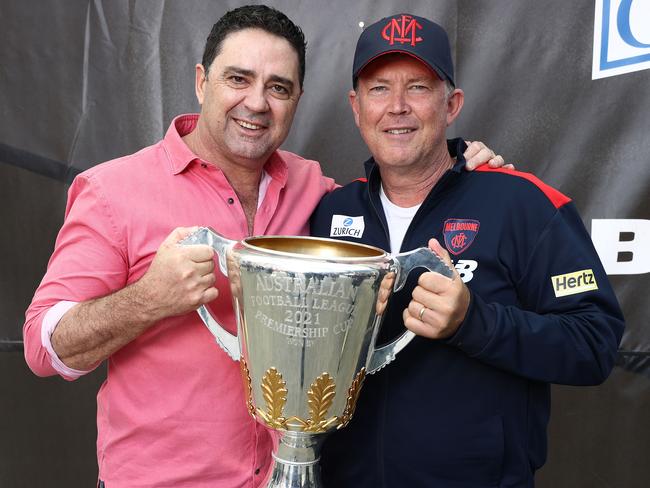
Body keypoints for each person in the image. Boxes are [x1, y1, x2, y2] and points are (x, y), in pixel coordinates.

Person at [22, 5, 506, 488]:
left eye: (278, 87)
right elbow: (44, 345)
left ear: (296, 100)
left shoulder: (314, 189)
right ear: (201, 81)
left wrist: (463, 170)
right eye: (238, 78)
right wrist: (149, 299)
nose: (257, 102)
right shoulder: (113, 191)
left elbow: (399, 199)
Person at [310, 13, 625, 488]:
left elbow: (594, 343)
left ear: (451, 103)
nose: (396, 107)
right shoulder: (329, 213)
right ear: (356, 107)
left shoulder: (523, 204)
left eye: (417, 87)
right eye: (378, 89)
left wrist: (472, 322)